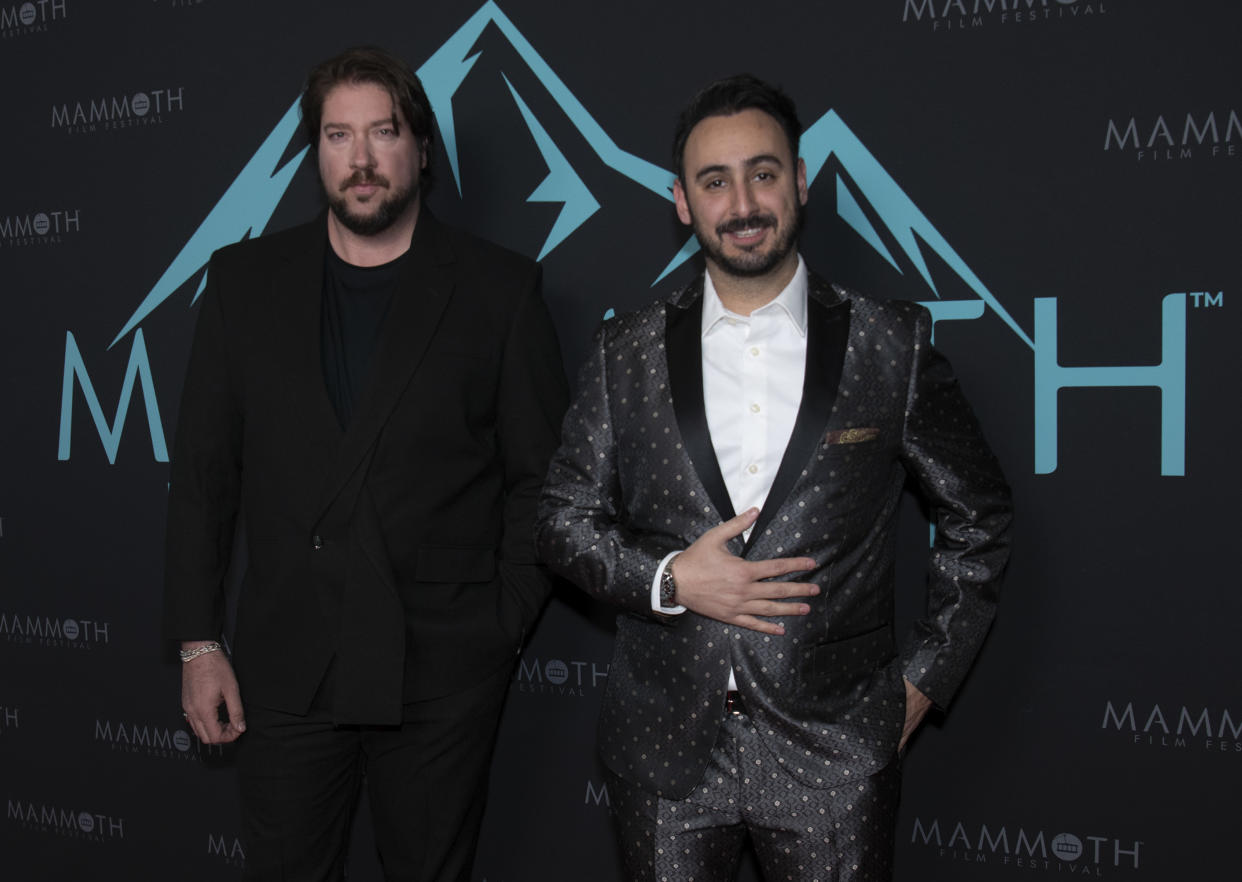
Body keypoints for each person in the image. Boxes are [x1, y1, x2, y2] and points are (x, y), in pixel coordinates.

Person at [536, 74, 1012, 881]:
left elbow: (980, 519)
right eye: (714, 181)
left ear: (799, 181)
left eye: (763, 172)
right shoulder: (628, 351)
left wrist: (921, 686)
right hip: (664, 756)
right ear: (683, 202)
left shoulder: (889, 345)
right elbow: (560, 519)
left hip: (835, 752)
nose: (743, 202)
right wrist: (671, 577)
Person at [164, 46, 568, 881]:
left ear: (420, 148)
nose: (360, 158)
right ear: (316, 155)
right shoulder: (242, 285)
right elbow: (205, 478)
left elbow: (543, 480)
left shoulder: (500, 292)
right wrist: (199, 643)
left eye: (382, 132)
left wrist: (498, 626)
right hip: (286, 668)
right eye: (337, 135)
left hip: (441, 671)